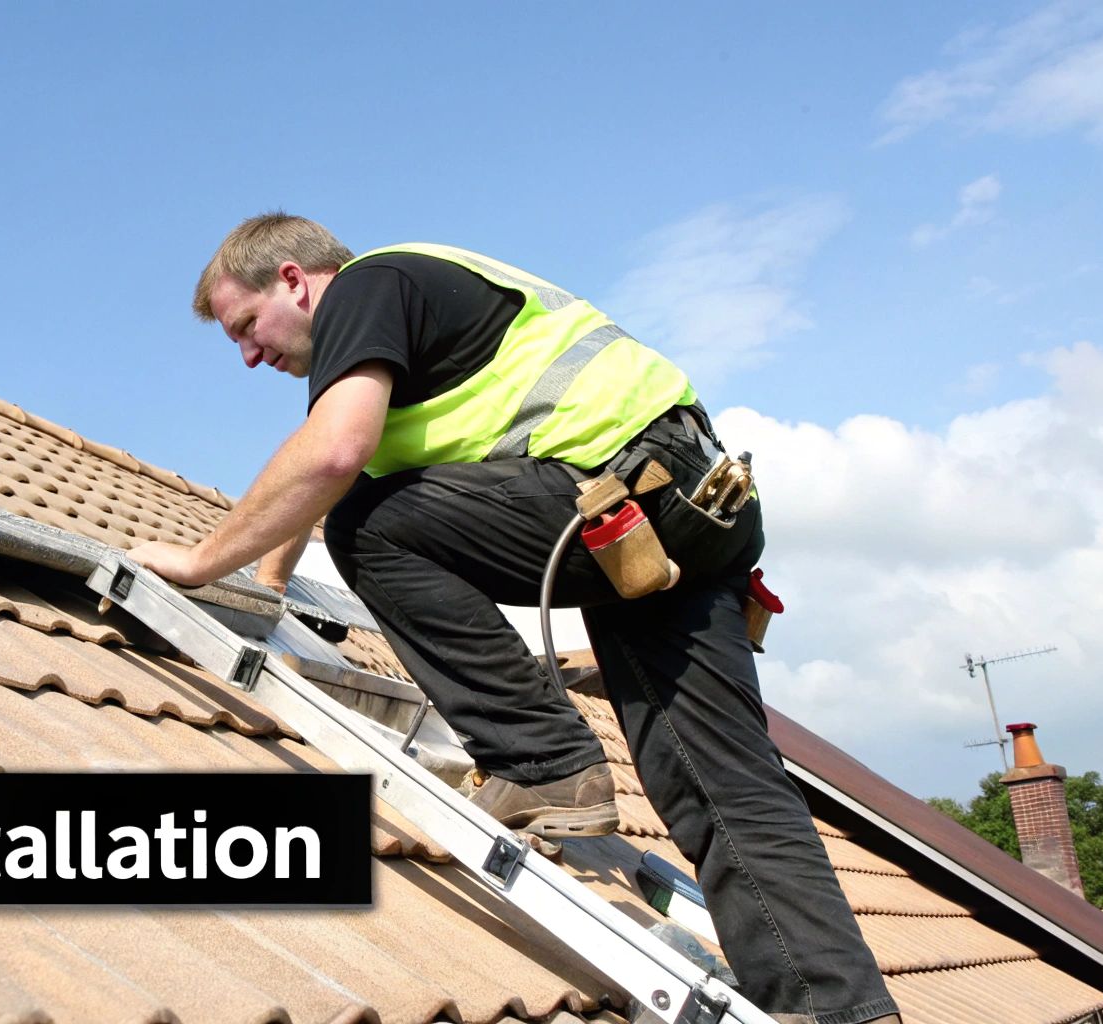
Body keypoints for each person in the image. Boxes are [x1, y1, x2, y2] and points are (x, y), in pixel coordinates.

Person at [129, 213, 900, 1024]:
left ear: (293, 278)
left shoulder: (365, 286)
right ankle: (834, 1006)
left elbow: (331, 455)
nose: (251, 355)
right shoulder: (405, 339)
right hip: (688, 515)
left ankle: (543, 765)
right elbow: (321, 477)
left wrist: (198, 561)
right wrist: (266, 583)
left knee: (370, 527)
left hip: (619, 493)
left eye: (247, 327)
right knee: (720, 785)